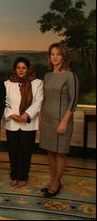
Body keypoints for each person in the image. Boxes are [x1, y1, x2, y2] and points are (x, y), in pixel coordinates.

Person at [39, 43, 79, 198]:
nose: (55, 57)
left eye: (58, 54)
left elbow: (73, 100)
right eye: (52, 54)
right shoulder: (47, 75)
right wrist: (41, 118)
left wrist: (64, 121)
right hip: (47, 119)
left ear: (64, 57)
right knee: (50, 150)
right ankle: (53, 180)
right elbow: (44, 99)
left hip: (62, 119)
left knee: (60, 152)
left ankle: (56, 183)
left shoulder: (70, 75)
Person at [3, 57, 43, 188]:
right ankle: (14, 175)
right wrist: (10, 114)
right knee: (13, 151)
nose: (21, 70)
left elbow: (38, 101)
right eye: (18, 68)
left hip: (28, 124)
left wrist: (27, 114)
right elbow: (3, 102)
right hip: (12, 123)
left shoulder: (37, 83)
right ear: (15, 69)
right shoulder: (8, 83)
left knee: (25, 152)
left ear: (28, 69)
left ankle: (23, 176)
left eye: (23, 68)